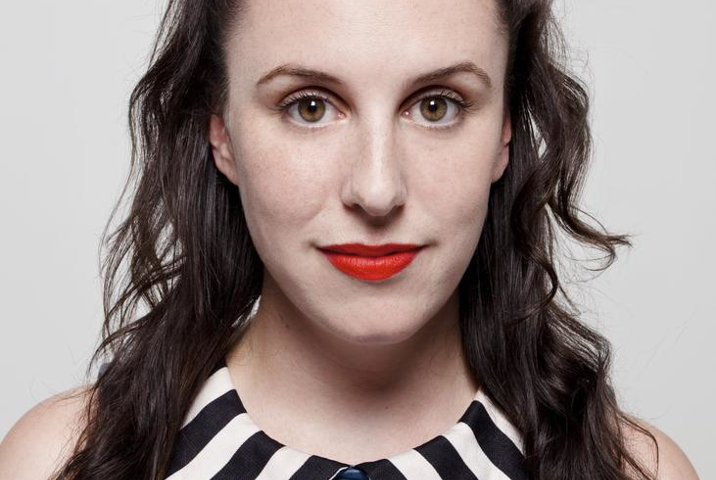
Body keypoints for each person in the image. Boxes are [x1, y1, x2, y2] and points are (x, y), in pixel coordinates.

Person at [0, 0, 701, 479]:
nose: (377, 189)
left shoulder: (636, 472)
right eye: (309, 106)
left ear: (505, 135)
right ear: (222, 133)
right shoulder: (60, 463)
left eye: (437, 105)